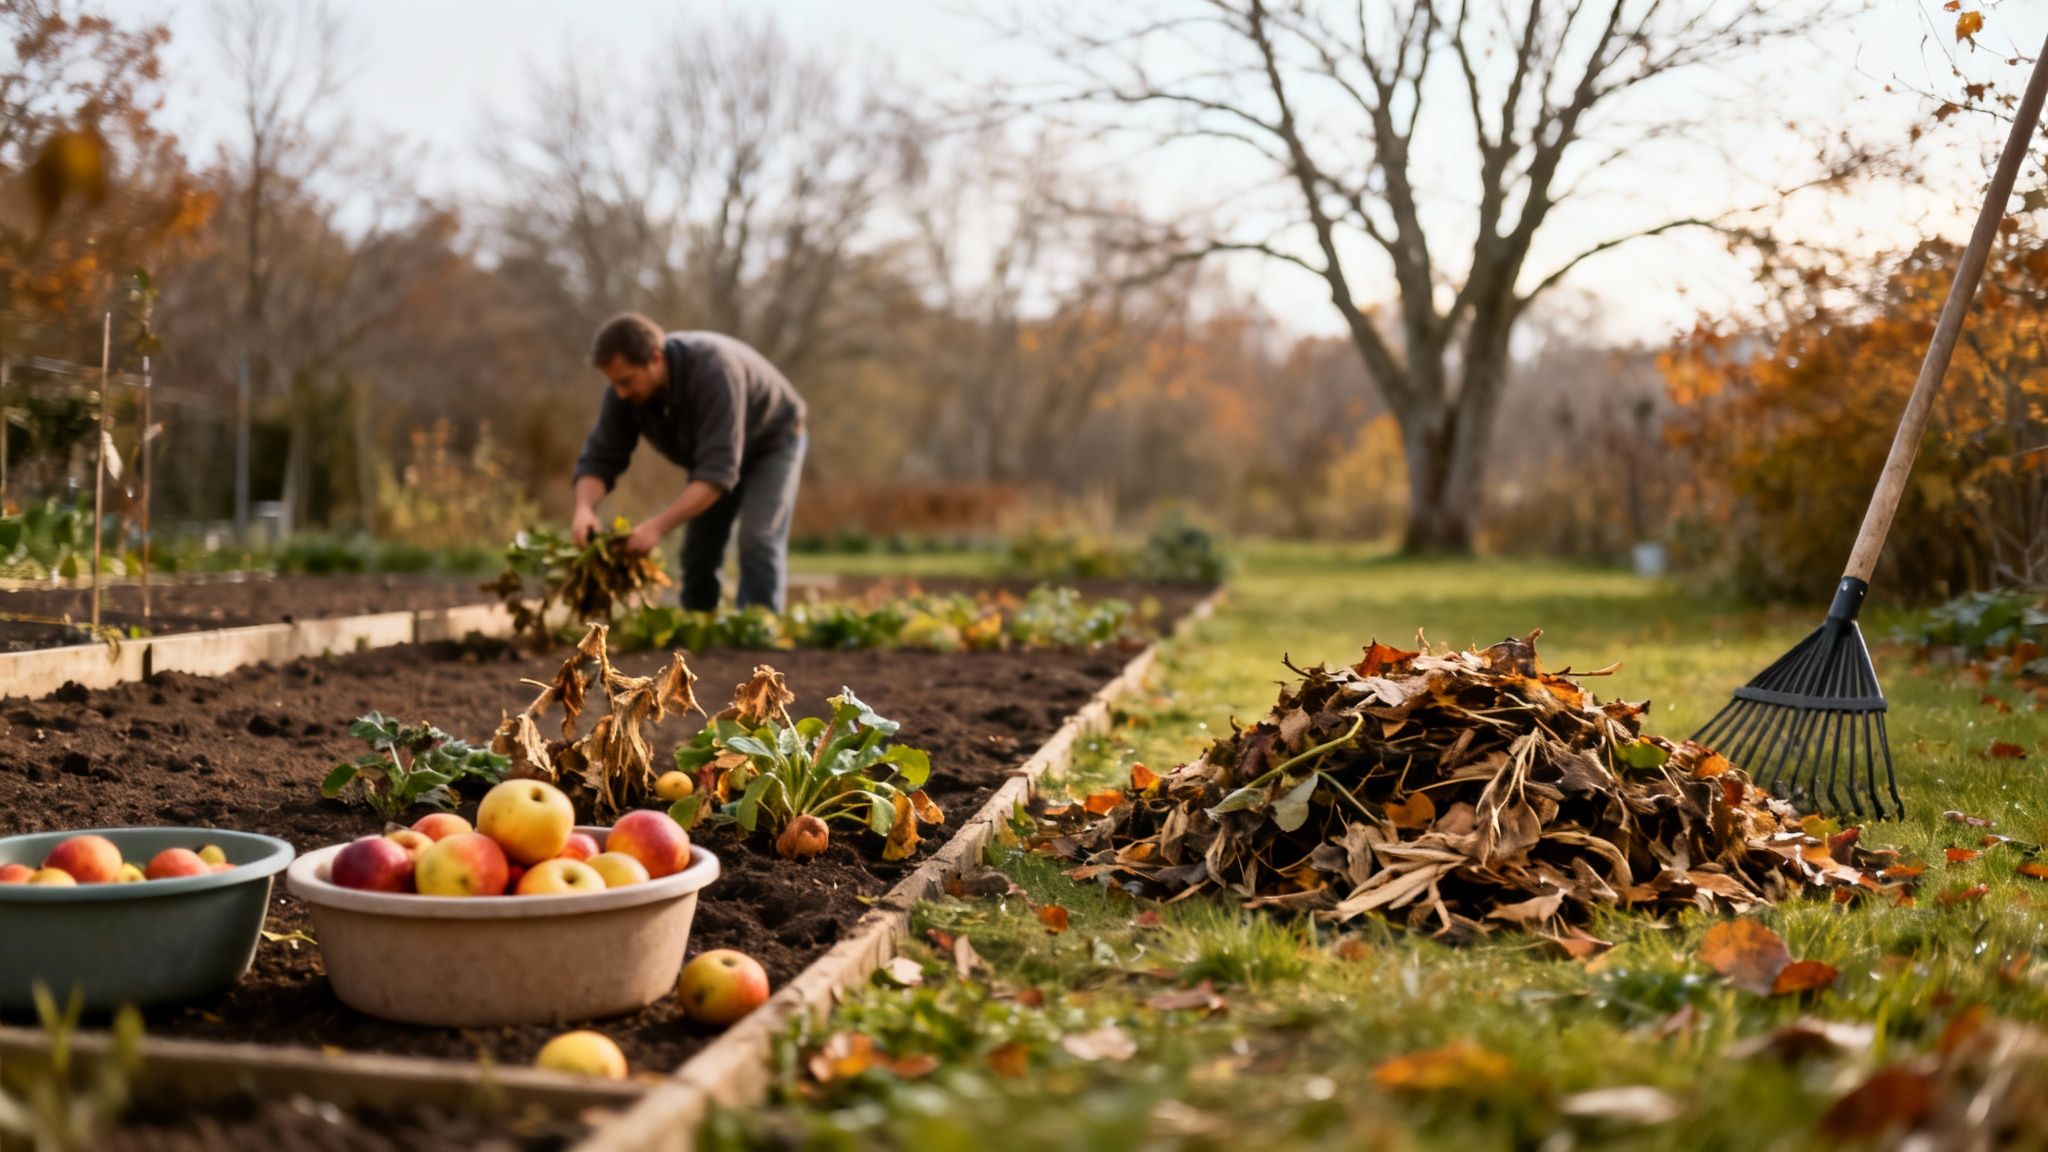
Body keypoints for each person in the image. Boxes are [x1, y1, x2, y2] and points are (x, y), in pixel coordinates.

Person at [571, 313, 807, 612]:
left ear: (655, 358)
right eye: (615, 383)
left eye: (627, 381)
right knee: (698, 553)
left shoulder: (714, 372)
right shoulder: (624, 394)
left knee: (757, 540)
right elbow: (599, 459)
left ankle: (760, 633)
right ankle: (698, 634)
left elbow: (718, 472)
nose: (620, 392)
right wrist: (584, 509)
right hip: (715, 456)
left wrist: (656, 527)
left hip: (772, 442)